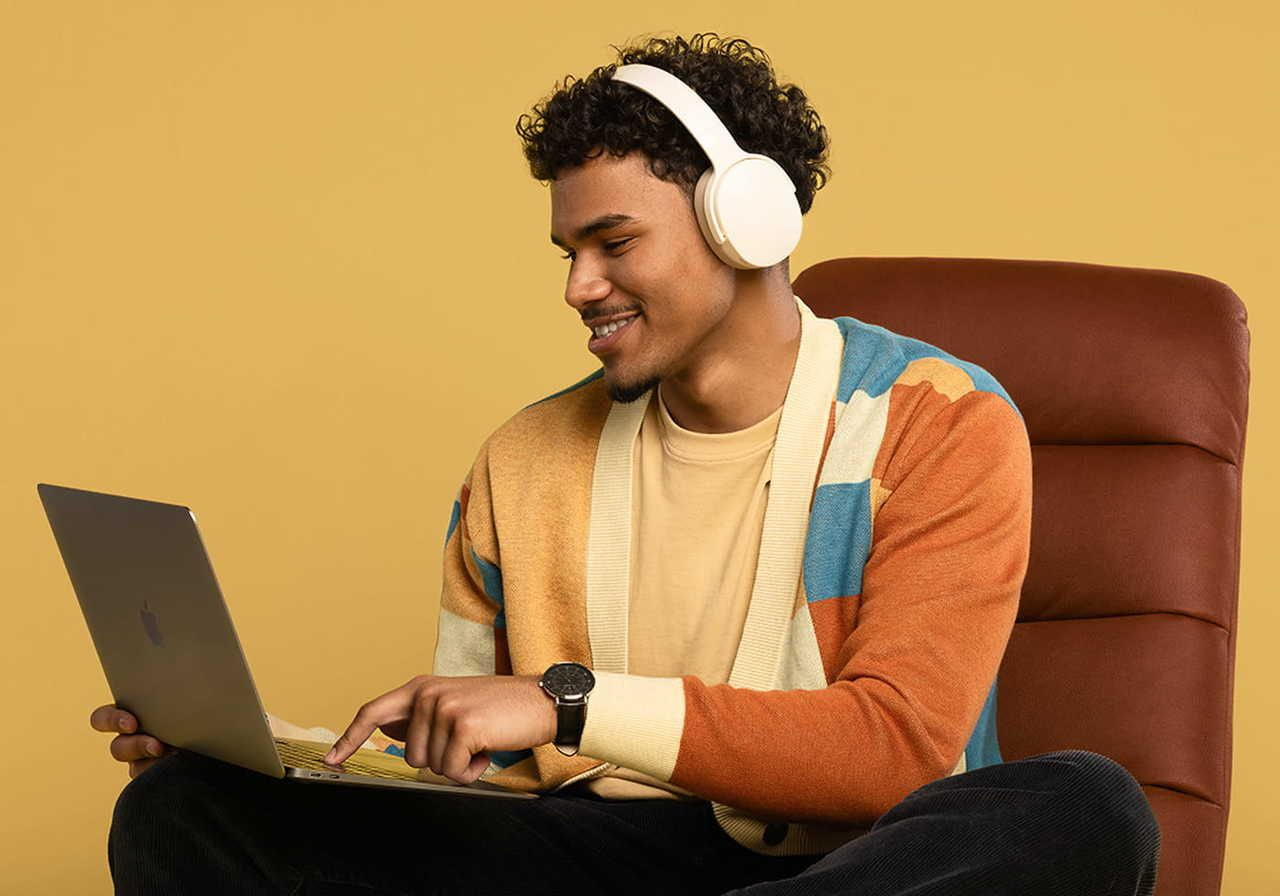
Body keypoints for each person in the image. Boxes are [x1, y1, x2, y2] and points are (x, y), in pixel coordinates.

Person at [92, 32, 1161, 895]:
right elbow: (473, 778)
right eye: (568, 254)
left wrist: (564, 701)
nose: (578, 286)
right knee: (181, 809)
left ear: (743, 226)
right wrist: (275, 763)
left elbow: (896, 747)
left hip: (849, 861)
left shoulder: (933, 421)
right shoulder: (521, 459)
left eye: (613, 243)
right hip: (590, 850)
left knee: (1081, 803)